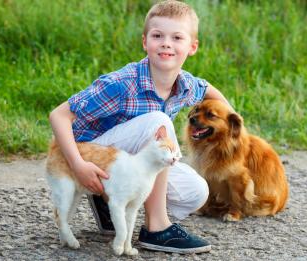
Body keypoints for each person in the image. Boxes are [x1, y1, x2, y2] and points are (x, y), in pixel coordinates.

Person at [49, 0, 231, 254]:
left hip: (124, 163)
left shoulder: (186, 84)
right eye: (158, 36)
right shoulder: (123, 83)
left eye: (177, 37)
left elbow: (210, 91)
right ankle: (156, 228)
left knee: (196, 192)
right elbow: (58, 115)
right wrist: (78, 166)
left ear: (192, 47)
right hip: (89, 152)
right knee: (159, 122)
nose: (167, 43)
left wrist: (233, 122)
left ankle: (110, 201)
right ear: (145, 42)